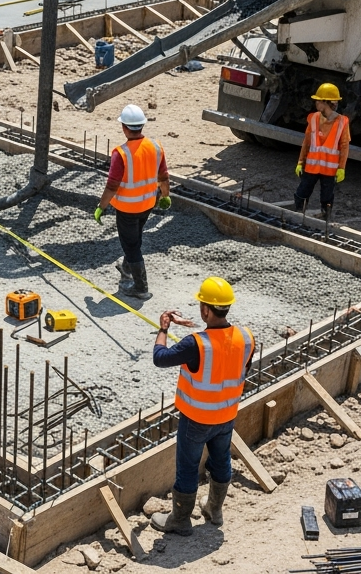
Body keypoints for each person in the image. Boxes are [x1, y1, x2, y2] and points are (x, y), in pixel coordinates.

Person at [150, 278, 258, 536]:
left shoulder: (195, 343)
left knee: (187, 467)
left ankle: (180, 520)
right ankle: (214, 509)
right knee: (221, 461)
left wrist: (163, 329)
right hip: (226, 416)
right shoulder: (246, 337)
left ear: (206, 310)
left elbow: (160, 358)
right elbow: (243, 368)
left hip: (197, 419)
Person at [93, 104, 171, 298]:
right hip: (147, 204)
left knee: (131, 245)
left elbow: (112, 186)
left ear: (124, 127)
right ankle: (127, 269)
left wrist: (101, 207)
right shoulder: (156, 146)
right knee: (135, 239)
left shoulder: (121, 153)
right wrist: (165, 196)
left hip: (127, 209)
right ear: (142, 126)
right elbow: (164, 176)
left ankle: (140, 288)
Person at [293, 83, 350, 221]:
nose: (316, 103)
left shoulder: (342, 122)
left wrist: (341, 168)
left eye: (319, 100)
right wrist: (301, 162)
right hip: (312, 167)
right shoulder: (313, 118)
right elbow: (306, 142)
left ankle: (325, 218)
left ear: (327, 103)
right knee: (302, 191)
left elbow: (344, 146)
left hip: (329, 171)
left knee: (327, 197)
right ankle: (298, 213)